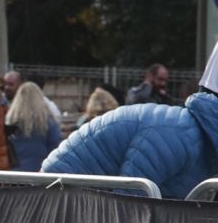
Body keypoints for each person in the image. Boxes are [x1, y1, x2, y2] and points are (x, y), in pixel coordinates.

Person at [43, 53, 217, 199]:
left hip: (79, 190)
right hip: (61, 189)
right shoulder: (178, 137)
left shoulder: (197, 141)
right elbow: (130, 198)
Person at [4, 80, 62, 171]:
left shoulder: (10, 121)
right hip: (39, 171)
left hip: (14, 171)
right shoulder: (48, 122)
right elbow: (55, 147)